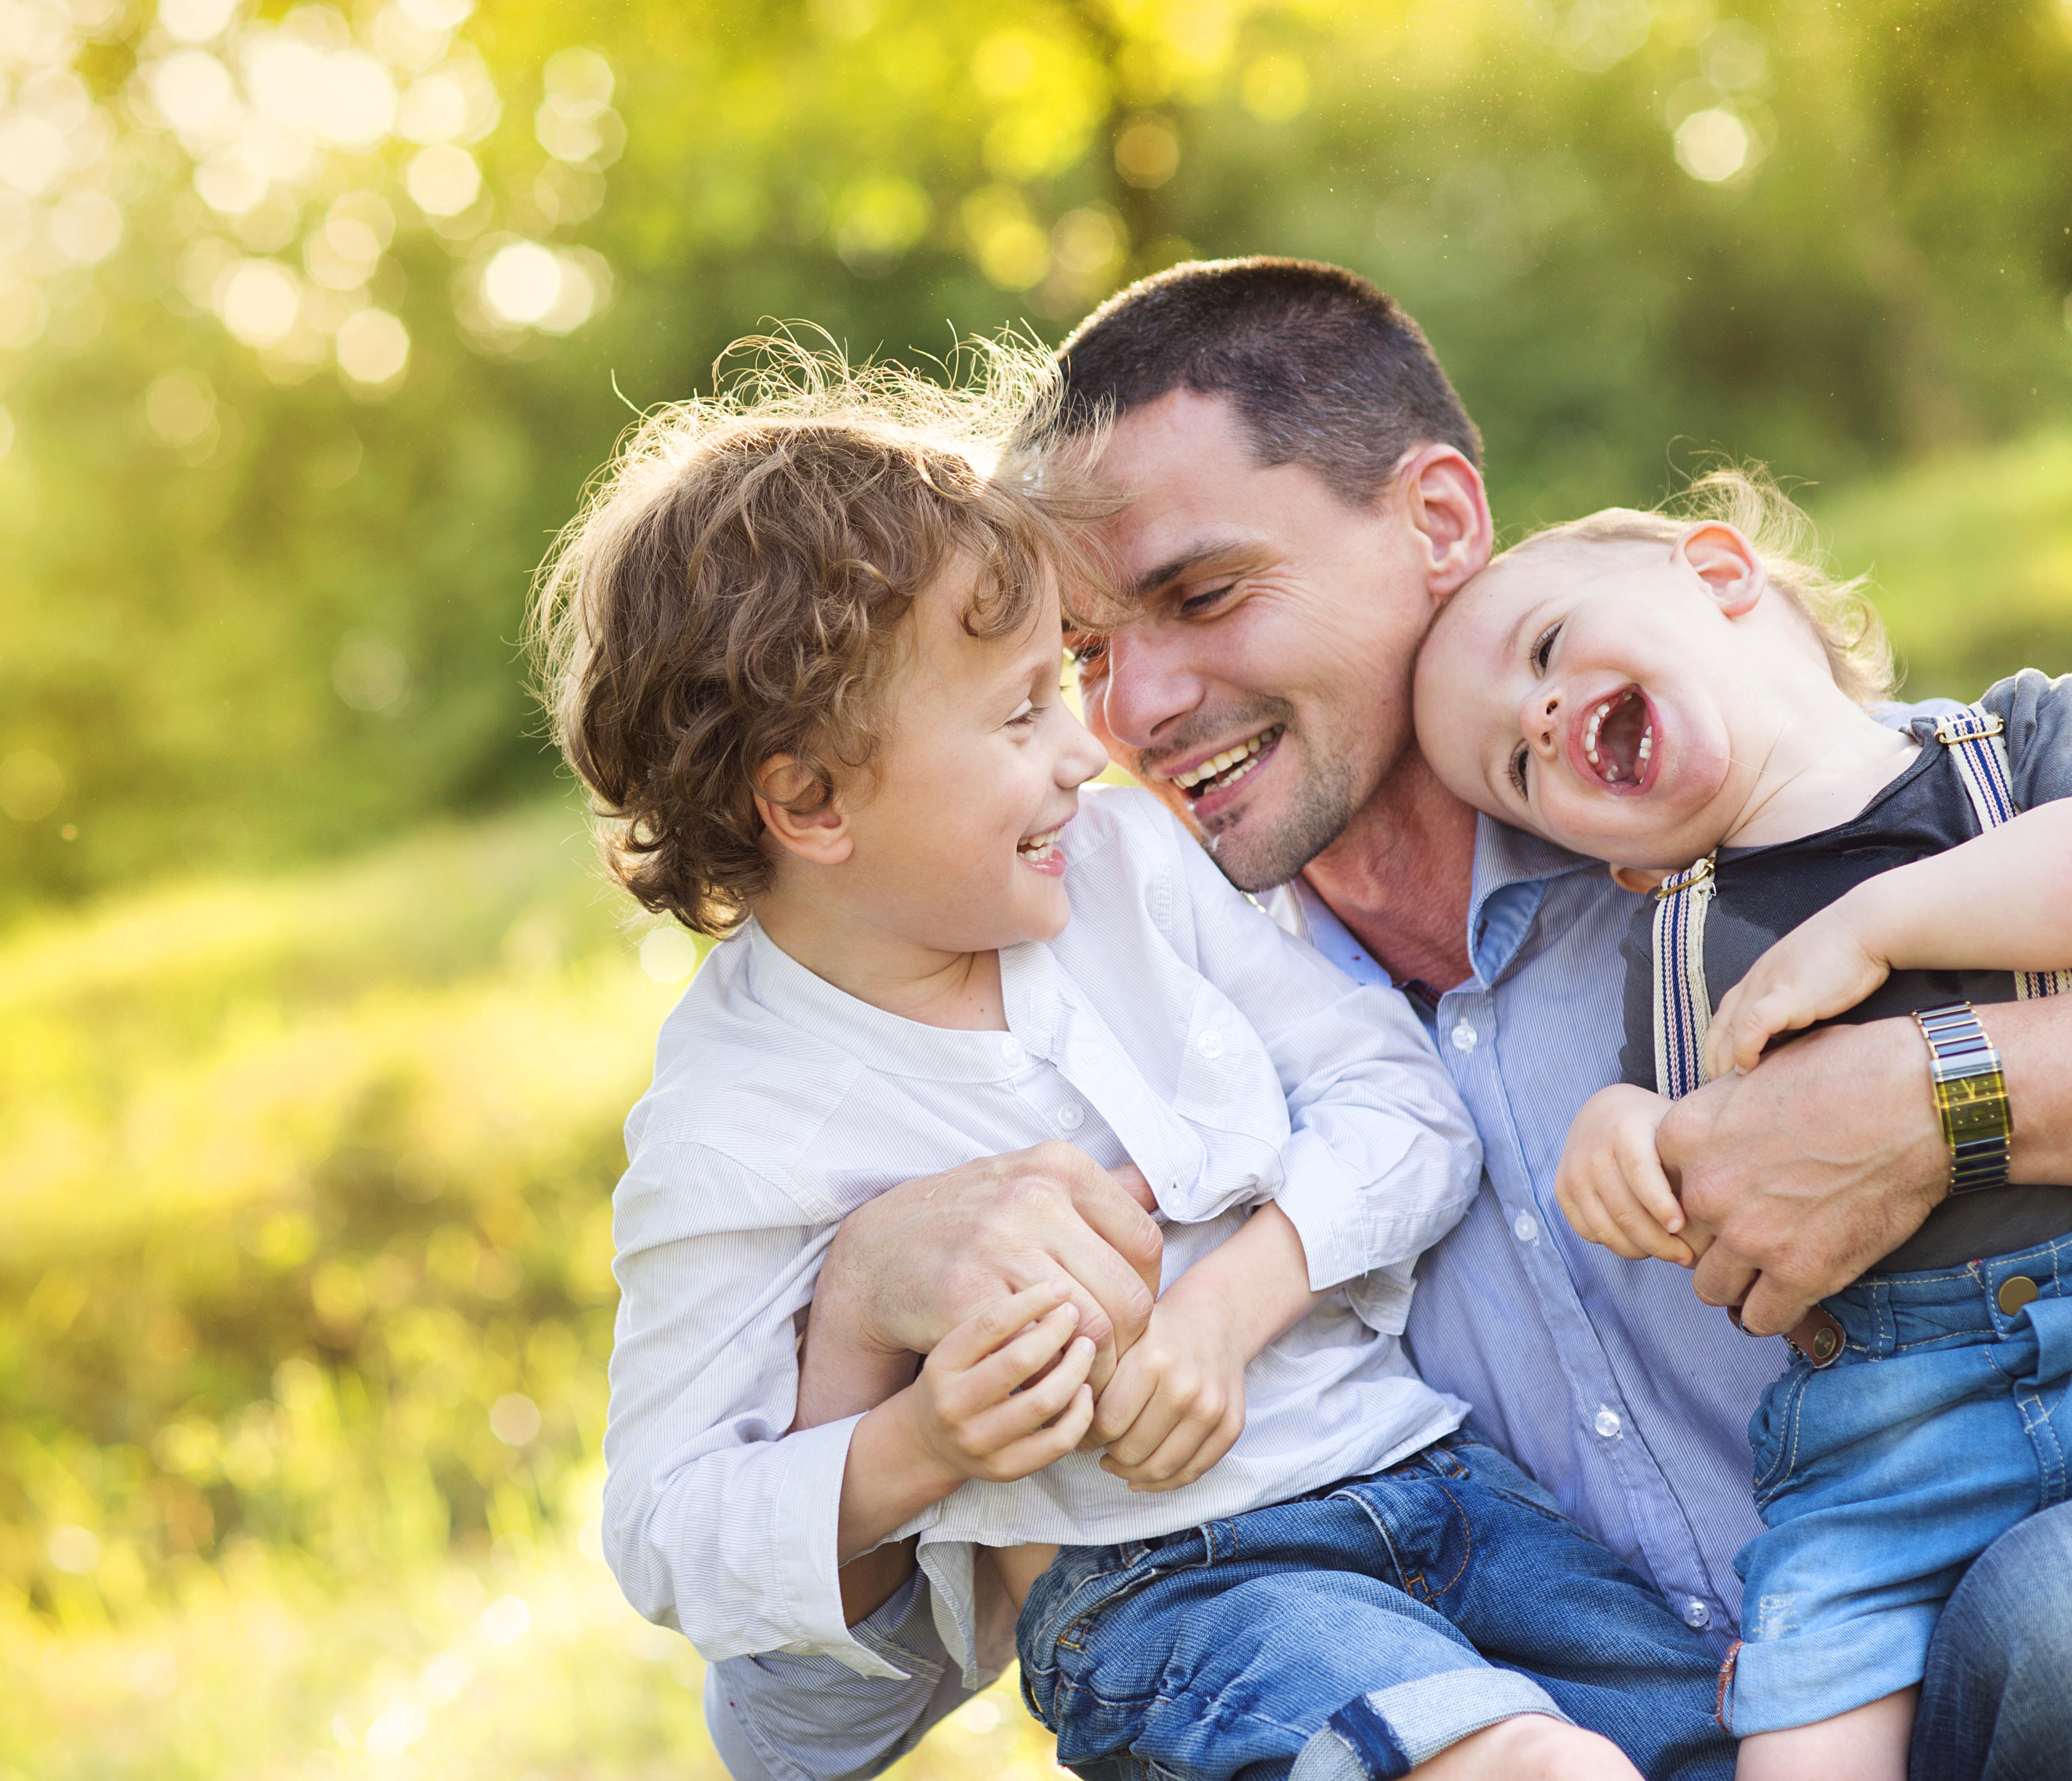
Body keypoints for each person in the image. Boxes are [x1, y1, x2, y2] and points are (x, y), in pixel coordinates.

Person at [709, 259, 2072, 1781]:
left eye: (1205, 596)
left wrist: (1941, 1090)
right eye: (1081, 654)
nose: (1136, 708)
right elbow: (797, 1728)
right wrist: (860, 1310)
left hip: (1997, 1671)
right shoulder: (1086, 1010)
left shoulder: (1836, 800)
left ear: (1440, 520)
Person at [535, 356, 1736, 1781]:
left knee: (1729, 1745)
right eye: (1015, 712)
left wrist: (1230, 1306)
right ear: (808, 799)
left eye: (1063, 684)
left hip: (1440, 1485)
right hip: (1180, 1593)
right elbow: (671, 1528)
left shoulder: (1132, 872)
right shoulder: (735, 1118)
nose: (1082, 751)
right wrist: (919, 1441)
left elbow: (1399, 1105)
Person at [1411, 480, 2072, 1777]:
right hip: (1879, 1445)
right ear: (1616, 866)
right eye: (1520, 768)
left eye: (1544, 649)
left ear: (1719, 574)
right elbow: (1690, 1131)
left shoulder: (2009, 747)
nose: (1540, 717)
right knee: (1793, 1745)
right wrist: (1616, 1130)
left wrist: (1872, 928)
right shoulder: (1668, 936)